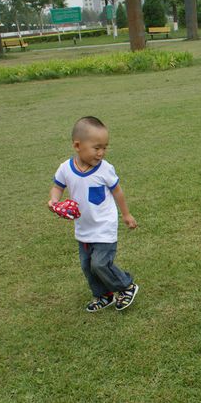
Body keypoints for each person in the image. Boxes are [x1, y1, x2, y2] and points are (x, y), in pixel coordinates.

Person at [48, 116, 139, 312]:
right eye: (96, 148)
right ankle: (103, 295)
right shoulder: (66, 168)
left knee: (100, 263)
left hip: (104, 225)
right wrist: (54, 201)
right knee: (88, 266)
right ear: (77, 145)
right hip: (83, 227)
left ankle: (126, 286)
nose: (101, 153)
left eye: (105, 147)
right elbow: (57, 186)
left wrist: (126, 214)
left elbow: (118, 192)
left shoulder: (105, 170)